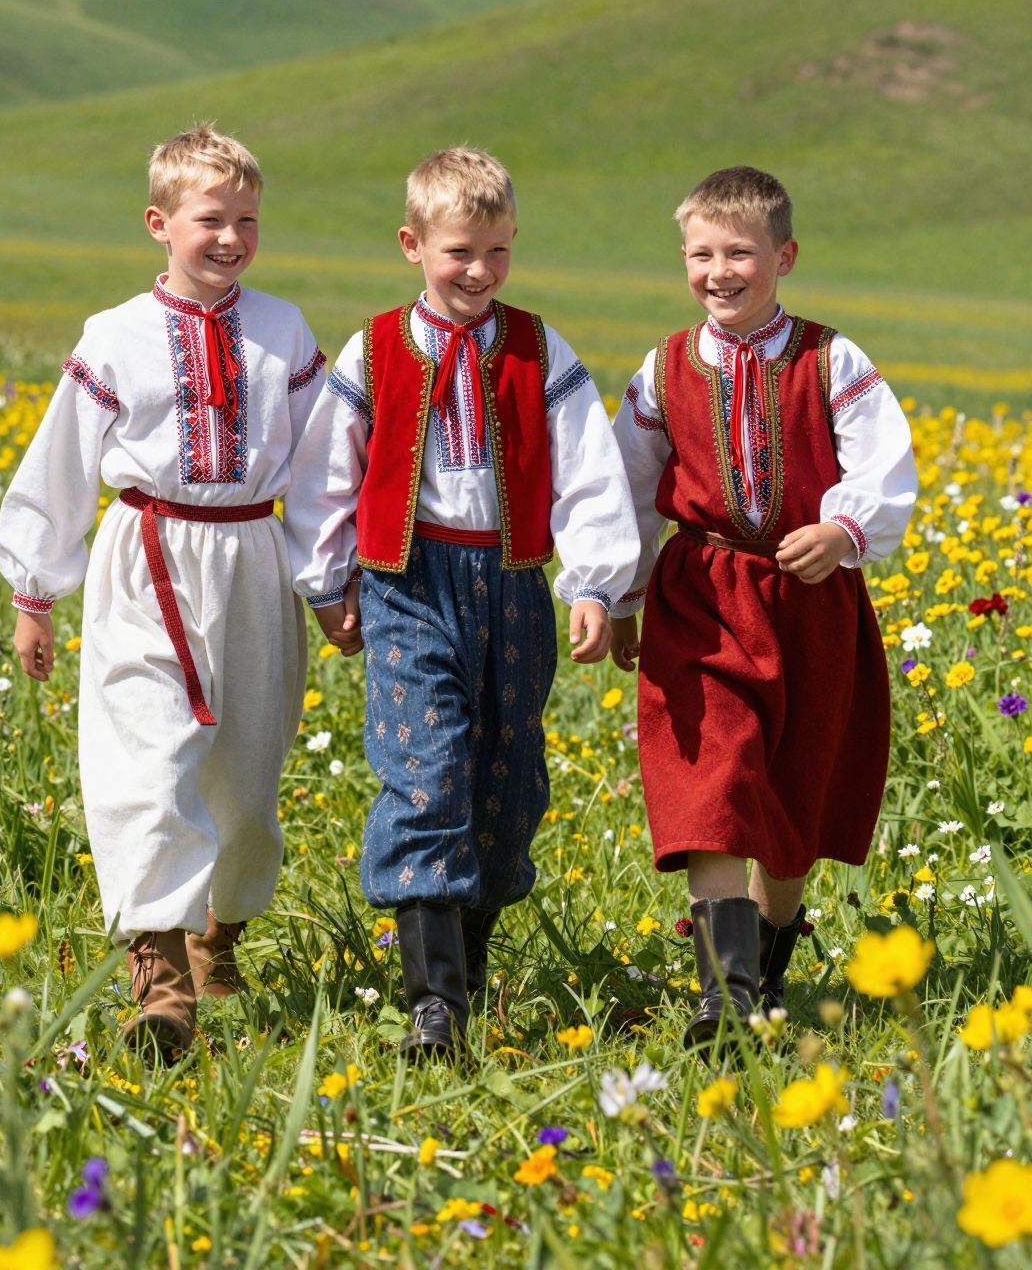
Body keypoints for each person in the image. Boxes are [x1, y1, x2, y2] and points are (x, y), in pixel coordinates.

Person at [285, 146, 641, 1052]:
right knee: (426, 766)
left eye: (496, 252)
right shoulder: (374, 347)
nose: (478, 272)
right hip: (409, 580)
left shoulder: (536, 346)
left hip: (517, 584)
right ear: (413, 245)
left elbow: (588, 472)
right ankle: (432, 1002)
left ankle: (470, 965)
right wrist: (328, 583)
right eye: (457, 253)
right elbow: (329, 473)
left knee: (508, 778)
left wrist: (594, 579)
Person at [0, 124, 326, 1057]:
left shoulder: (283, 329)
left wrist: (333, 580)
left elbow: (316, 469)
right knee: (145, 761)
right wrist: (34, 589)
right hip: (145, 557)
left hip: (252, 560)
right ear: (159, 223)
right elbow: (61, 459)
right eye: (209, 219)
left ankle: (219, 935)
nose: (230, 238)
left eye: (247, 220)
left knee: (246, 780)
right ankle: (160, 976)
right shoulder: (115, 337)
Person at [611, 165, 916, 1048]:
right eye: (700, 254)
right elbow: (628, 487)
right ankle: (725, 997)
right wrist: (621, 593)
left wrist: (844, 532)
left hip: (809, 604)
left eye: (739, 252)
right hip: (700, 598)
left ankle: (769, 958)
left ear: (783, 255)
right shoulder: (663, 368)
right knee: (712, 783)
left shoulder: (830, 359)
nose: (719, 270)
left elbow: (883, 462)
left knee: (789, 809)